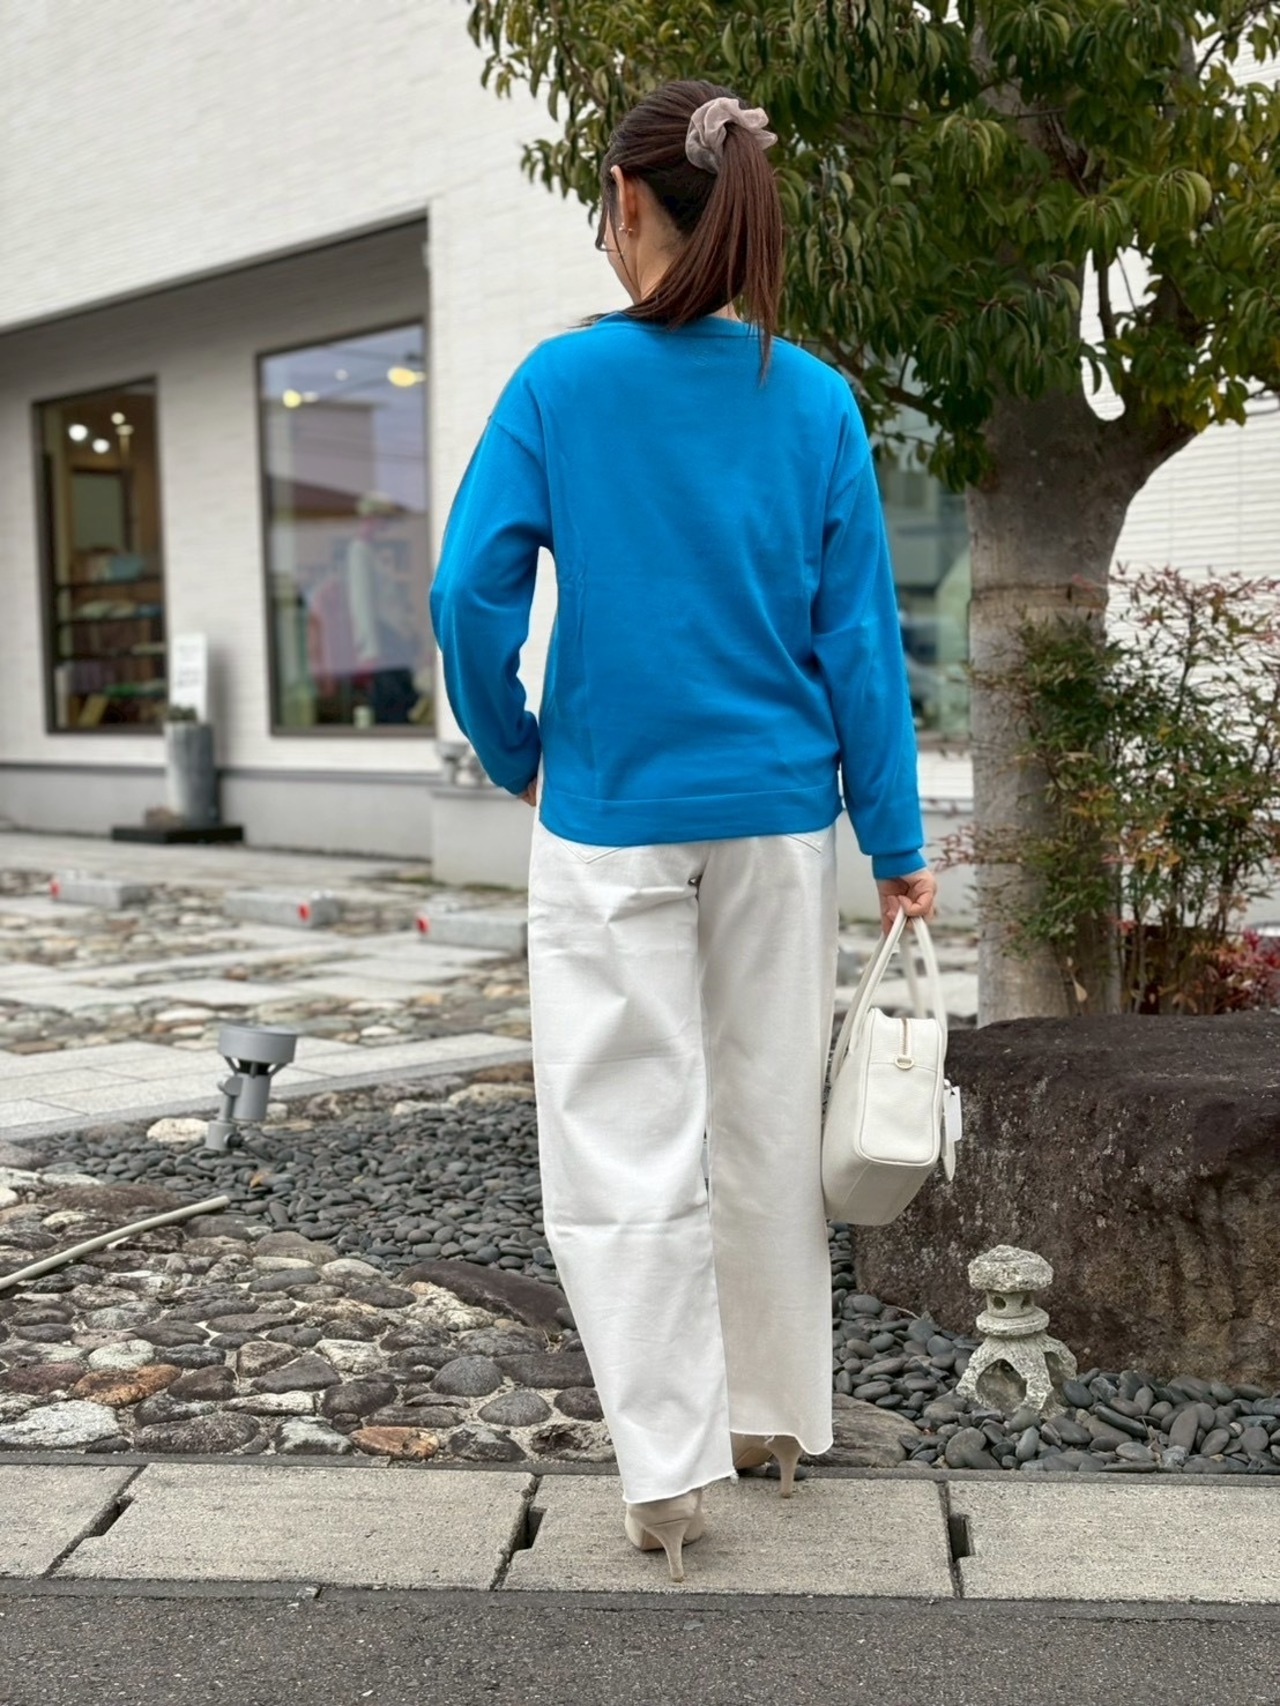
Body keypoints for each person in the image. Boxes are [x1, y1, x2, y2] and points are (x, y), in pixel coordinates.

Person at [429, 78, 937, 1583]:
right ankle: (772, 1418)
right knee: (767, 1116)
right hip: (780, 818)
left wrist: (518, 749)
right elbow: (861, 642)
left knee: (621, 1135)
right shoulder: (817, 399)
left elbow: (468, 594)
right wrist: (896, 839)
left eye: (606, 205)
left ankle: (666, 1473)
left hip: (610, 815)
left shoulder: (560, 384)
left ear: (632, 200)